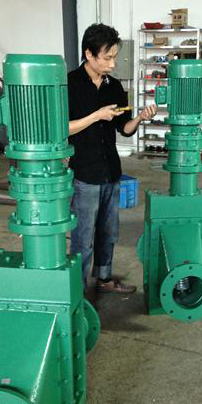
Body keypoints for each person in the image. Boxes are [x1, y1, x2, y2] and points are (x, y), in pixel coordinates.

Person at [67, 23, 157, 293]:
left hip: (110, 171)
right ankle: (77, 289)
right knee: (83, 237)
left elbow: (124, 129)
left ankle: (104, 278)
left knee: (109, 233)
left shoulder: (114, 87)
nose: (113, 64)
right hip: (84, 173)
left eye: (115, 57)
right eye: (107, 58)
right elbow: (62, 129)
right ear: (89, 54)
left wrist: (139, 118)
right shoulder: (69, 84)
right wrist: (96, 116)